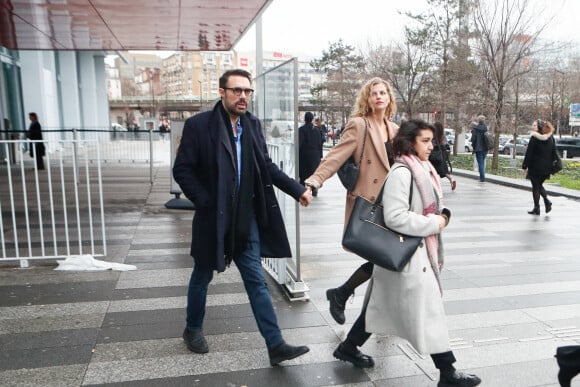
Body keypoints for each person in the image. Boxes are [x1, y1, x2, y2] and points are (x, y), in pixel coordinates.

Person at [172, 69, 313, 366]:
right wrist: (205, 201)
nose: (243, 97)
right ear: (222, 92)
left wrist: (296, 189)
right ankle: (192, 328)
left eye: (247, 92)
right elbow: (182, 169)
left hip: (245, 218)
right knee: (202, 275)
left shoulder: (251, 125)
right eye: (236, 90)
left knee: (256, 281)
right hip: (214, 217)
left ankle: (275, 345)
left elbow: (265, 166)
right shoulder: (200, 126)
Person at [332, 119, 481, 387]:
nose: (430, 145)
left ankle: (348, 347)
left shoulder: (424, 167)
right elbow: (395, 217)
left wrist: (440, 215)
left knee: (380, 308)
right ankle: (448, 373)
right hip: (409, 253)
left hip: (412, 254)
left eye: (431, 140)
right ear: (410, 142)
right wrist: (436, 223)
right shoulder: (402, 172)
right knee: (428, 312)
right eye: (425, 140)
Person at [304, 77, 398, 325]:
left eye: (383, 92)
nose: (378, 96)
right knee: (385, 258)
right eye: (373, 93)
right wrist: (315, 180)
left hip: (393, 205)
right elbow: (335, 157)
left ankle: (346, 297)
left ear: (389, 98)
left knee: (388, 260)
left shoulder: (394, 130)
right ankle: (346, 297)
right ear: (367, 99)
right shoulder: (359, 125)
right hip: (369, 203)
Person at [522, 119, 556, 215]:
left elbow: (529, 153)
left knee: (536, 187)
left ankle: (539, 206)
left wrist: (524, 166)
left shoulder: (534, 137)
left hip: (535, 167)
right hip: (546, 168)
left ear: (539, 127)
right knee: (538, 185)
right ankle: (545, 203)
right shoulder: (551, 138)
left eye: (535, 125)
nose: (533, 127)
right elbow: (554, 152)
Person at [299, 112, 323, 196]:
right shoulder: (316, 130)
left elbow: (300, 143)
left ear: (305, 119)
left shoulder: (301, 129)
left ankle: (302, 190)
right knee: (313, 173)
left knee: (303, 174)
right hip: (315, 155)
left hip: (304, 156)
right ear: (312, 119)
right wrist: (320, 156)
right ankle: (314, 189)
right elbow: (320, 143)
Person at [430, 122, 456, 190]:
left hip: (435, 154)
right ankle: (451, 179)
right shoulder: (443, 136)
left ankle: (433, 184)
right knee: (443, 170)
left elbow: (432, 145)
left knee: (432, 169)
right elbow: (445, 144)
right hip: (442, 154)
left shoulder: (433, 135)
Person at [470, 115, 489, 182]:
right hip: (485, 148)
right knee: (482, 162)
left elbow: (473, 139)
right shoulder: (486, 128)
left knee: (480, 163)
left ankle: (482, 177)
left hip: (478, 148)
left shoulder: (475, 129)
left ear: (478, 121)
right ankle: (482, 176)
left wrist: (473, 145)